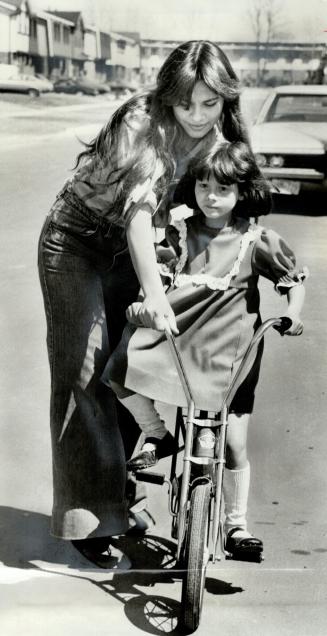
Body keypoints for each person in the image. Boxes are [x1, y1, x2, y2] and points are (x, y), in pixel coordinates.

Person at [38, 39, 252, 565]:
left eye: (210, 103)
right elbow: (137, 214)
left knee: (131, 367)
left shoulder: (221, 136)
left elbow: (236, 199)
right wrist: (155, 296)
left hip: (145, 252)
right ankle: (92, 518)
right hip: (77, 243)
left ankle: (118, 490)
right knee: (85, 372)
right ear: (167, 96)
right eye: (186, 103)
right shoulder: (142, 122)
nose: (198, 116)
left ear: (226, 97)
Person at [104, 140, 307, 559]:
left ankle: (236, 526)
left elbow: (292, 283)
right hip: (182, 336)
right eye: (203, 187)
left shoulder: (256, 239)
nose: (211, 198)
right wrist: (146, 302)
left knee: (233, 443)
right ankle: (159, 435)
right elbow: (155, 280)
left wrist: (292, 313)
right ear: (192, 188)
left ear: (242, 192)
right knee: (122, 363)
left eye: (223, 189)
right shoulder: (179, 231)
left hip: (231, 350)